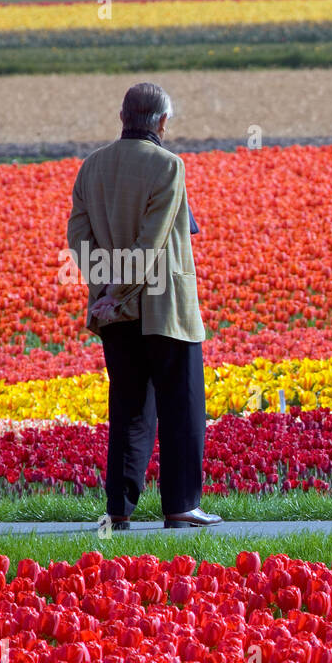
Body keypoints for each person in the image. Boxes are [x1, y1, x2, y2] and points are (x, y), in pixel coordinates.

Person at [67, 82, 222, 529]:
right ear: (162, 122)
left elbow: (78, 238)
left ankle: (119, 510)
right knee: (182, 407)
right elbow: (151, 245)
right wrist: (124, 291)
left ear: (122, 118)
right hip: (164, 309)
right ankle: (181, 506)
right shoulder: (168, 166)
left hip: (113, 315)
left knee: (129, 408)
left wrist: (107, 292)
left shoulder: (91, 167)